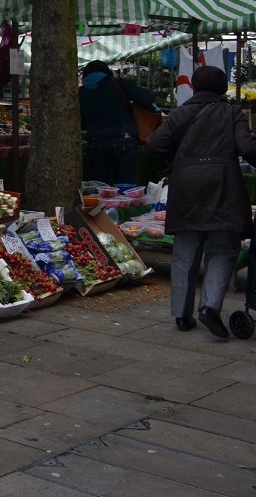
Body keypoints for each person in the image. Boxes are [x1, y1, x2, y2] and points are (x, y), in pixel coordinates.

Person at [146, 64, 256, 338]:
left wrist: (178, 160)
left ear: (194, 86)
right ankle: (209, 306)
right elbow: (247, 147)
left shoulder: (180, 113)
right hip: (223, 186)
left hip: (186, 188)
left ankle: (182, 315)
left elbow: (155, 145)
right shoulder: (232, 113)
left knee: (185, 251)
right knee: (223, 249)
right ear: (222, 88)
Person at [78, 59, 158, 185]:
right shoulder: (117, 84)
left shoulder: (81, 93)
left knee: (99, 187)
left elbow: (82, 124)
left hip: (96, 143)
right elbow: (148, 97)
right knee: (126, 187)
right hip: (124, 140)